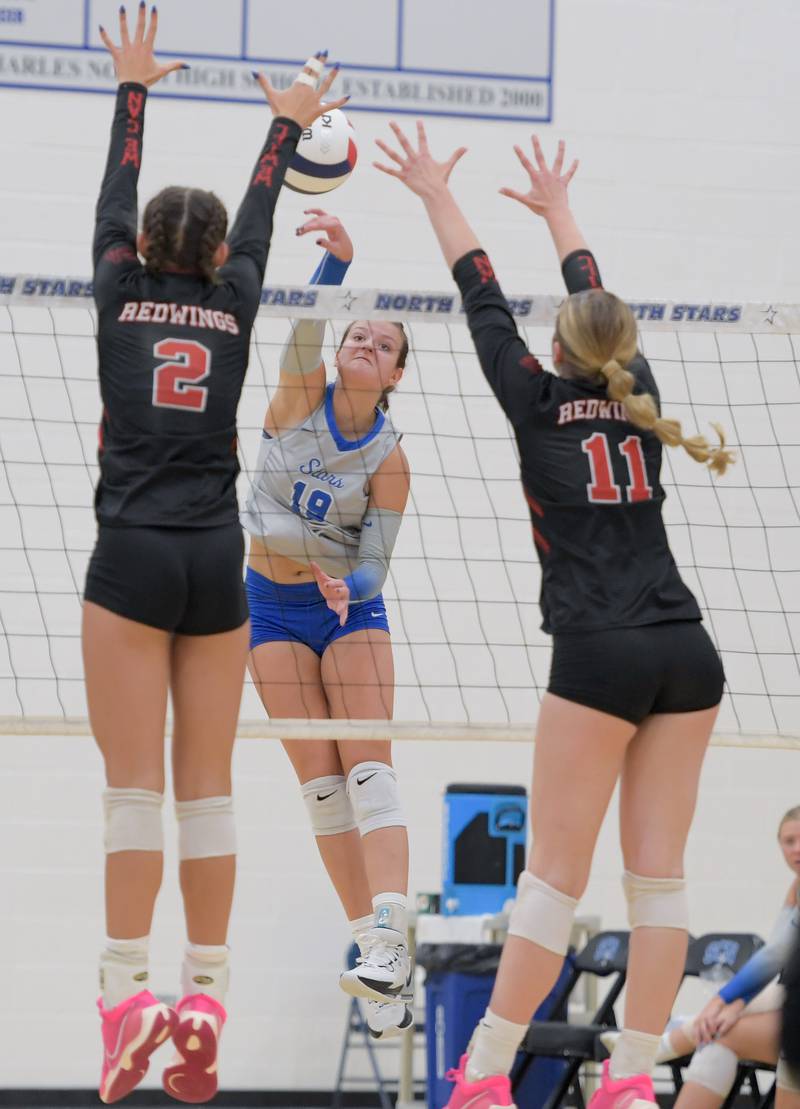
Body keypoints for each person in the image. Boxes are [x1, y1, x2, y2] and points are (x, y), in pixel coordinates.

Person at [374, 121, 733, 1109]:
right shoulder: (641, 390)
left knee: (551, 882)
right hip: (684, 649)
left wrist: (433, 191)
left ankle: (483, 1072)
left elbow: (476, 289)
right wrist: (563, 212)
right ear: (622, 349)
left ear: (556, 347)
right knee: (656, 879)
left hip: (600, 649)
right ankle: (626, 1076)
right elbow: (590, 297)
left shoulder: (532, 398)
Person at [85, 5, 344, 1101]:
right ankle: (208, 992)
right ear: (213, 261)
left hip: (133, 559)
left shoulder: (112, 293)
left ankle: (126, 996)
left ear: (142, 249)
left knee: (133, 792)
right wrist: (284, 125)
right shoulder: (236, 303)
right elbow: (259, 225)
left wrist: (131, 87)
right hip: (212, 563)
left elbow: (113, 197)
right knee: (211, 793)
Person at [241, 210, 413, 1038]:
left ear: (395, 375)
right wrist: (337, 261)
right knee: (319, 787)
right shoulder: (299, 392)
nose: (365, 345)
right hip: (266, 603)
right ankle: (369, 956)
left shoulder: (390, 458)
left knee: (367, 773)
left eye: (384, 345)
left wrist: (351, 582)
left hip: (347, 609)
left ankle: (392, 937)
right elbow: (305, 325)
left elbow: (379, 558)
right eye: (360, 335)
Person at [656, 806, 799, 1109]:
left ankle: (669, 1040)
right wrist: (731, 1005)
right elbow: (777, 956)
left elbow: (776, 955)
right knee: (719, 1033)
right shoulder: (795, 886)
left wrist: (724, 1001)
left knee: (720, 1029)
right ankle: (676, 1036)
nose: (796, 848)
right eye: (789, 841)